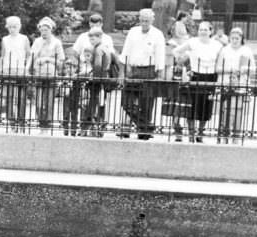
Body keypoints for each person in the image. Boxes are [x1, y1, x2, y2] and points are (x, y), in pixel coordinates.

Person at [119, 8, 166, 139]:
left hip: (149, 70)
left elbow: (160, 56)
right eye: (142, 20)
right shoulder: (133, 32)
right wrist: (121, 74)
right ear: (139, 19)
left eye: (147, 20)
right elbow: (124, 53)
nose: (144, 22)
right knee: (126, 102)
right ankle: (146, 125)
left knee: (147, 104)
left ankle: (143, 132)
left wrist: (160, 75)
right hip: (133, 70)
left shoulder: (158, 34)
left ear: (152, 20)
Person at [173, 20, 221, 143]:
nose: (203, 32)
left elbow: (221, 60)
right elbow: (176, 51)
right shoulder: (192, 42)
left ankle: (201, 132)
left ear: (211, 31)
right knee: (192, 106)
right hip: (195, 76)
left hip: (211, 77)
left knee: (206, 106)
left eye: (205, 29)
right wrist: (183, 64)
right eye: (200, 29)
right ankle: (191, 132)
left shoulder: (217, 45)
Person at [214, 27, 254, 144]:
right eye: (232, 38)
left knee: (238, 110)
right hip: (226, 83)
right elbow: (218, 68)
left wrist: (243, 69)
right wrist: (230, 70)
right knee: (225, 110)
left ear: (241, 38)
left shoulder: (246, 51)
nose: (235, 40)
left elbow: (253, 69)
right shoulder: (224, 50)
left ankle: (236, 134)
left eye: (237, 38)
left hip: (240, 83)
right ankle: (224, 134)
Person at [30, 17, 64, 132]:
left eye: (46, 30)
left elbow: (61, 61)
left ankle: (47, 125)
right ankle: (41, 123)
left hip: (51, 75)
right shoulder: (37, 42)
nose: (44, 32)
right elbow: (32, 57)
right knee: (39, 103)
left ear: (51, 29)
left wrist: (48, 59)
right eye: (42, 30)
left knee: (48, 103)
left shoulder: (56, 42)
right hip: (39, 75)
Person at [78, 25, 113, 136]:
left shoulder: (98, 49)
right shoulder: (105, 47)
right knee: (97, 105)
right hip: (104, 78)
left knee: (92, 105)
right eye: (90, 38)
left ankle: (88, 126)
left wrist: (93, 78)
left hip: (98, 80)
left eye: (93, 38)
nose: (91, 41)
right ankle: (94, 127)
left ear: (99, 37)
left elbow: (98, 65)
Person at [0, 16, 30, 132]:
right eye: (10, 27)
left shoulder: (24, 38)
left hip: (21, 70)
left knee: (21, 99)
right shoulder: (5, 39)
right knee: (9, 98)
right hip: (8, 70)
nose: (12, 29)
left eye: (15, 27)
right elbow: (3, 56)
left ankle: (21, 122)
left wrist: (26, 68)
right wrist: (2, 68)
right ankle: (12, 123)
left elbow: (29, 55)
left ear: (19, 27)